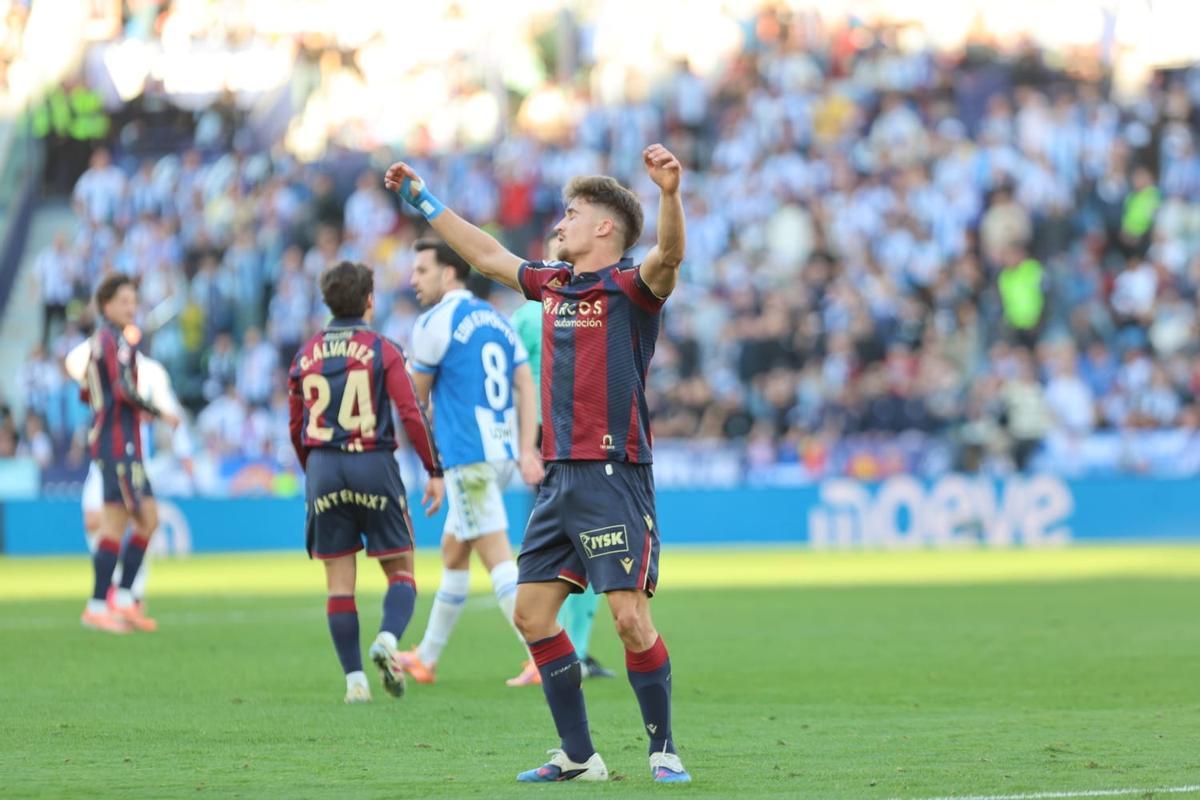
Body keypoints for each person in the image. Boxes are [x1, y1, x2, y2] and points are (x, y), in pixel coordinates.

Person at [385, 143, 691, 783]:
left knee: (630, 618)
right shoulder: (550, 284)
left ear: (604, 226)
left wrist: (668, 194)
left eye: (572, 213)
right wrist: (425, 201)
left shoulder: (632, 287)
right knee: (531, 615)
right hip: (557, 478)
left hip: (613, 473)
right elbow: (485, 254)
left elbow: (671, 256)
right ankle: (580, 756)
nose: (560, 223)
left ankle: (663, 749)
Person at [287, 261, 445, 704]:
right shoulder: (383, 349)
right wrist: (434, 470)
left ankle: (355, 681)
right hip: (372, 463)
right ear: (369, 301)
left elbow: (295, 425)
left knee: (339, 582)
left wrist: (314, 470)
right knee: (401, 569)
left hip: (322, 466)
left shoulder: (305, 354)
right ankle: (389, 640)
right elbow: (410, 411)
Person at [390, 239, 543, 687]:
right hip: (498, 452)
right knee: (455, 551)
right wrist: (525, 446)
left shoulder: (435, 322)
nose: (413, 280)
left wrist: (431, 469)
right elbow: (524, 384)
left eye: (421, 270)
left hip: (467, 456)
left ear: (449, 273)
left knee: (496, 555)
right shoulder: (497, 318)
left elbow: (413, 403)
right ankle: (427, 658)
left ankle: (542, 654)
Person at [507, 236, 616, 686]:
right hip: (572, 435)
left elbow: (510, 382)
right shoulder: (593, 305)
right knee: (587, 547)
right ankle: (572, 649)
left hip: (555, 434)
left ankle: (565, 650)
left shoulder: (534, 312)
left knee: (561, 548)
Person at [80, 274, 179, 634]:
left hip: (128, 445)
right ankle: (96, 606)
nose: (131, 307)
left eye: (133, 300)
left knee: (149, 518)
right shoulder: (110, 338)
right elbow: (121, 390)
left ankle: (123, 601)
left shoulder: (110, 341)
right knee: (115, 523)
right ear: (106, 305)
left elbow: (87, 391)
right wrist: (157, 410)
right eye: (123, 301)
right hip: (117, 445)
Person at [67, 334, 193, 613]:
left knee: (142, 521)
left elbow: (171, 411)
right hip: (105, 454)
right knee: (95, 520)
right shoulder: (102, 360)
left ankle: (131, 592)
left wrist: (184, 452)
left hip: (135, 458)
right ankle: (113, 587)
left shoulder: (151, 372)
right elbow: (75, 368)